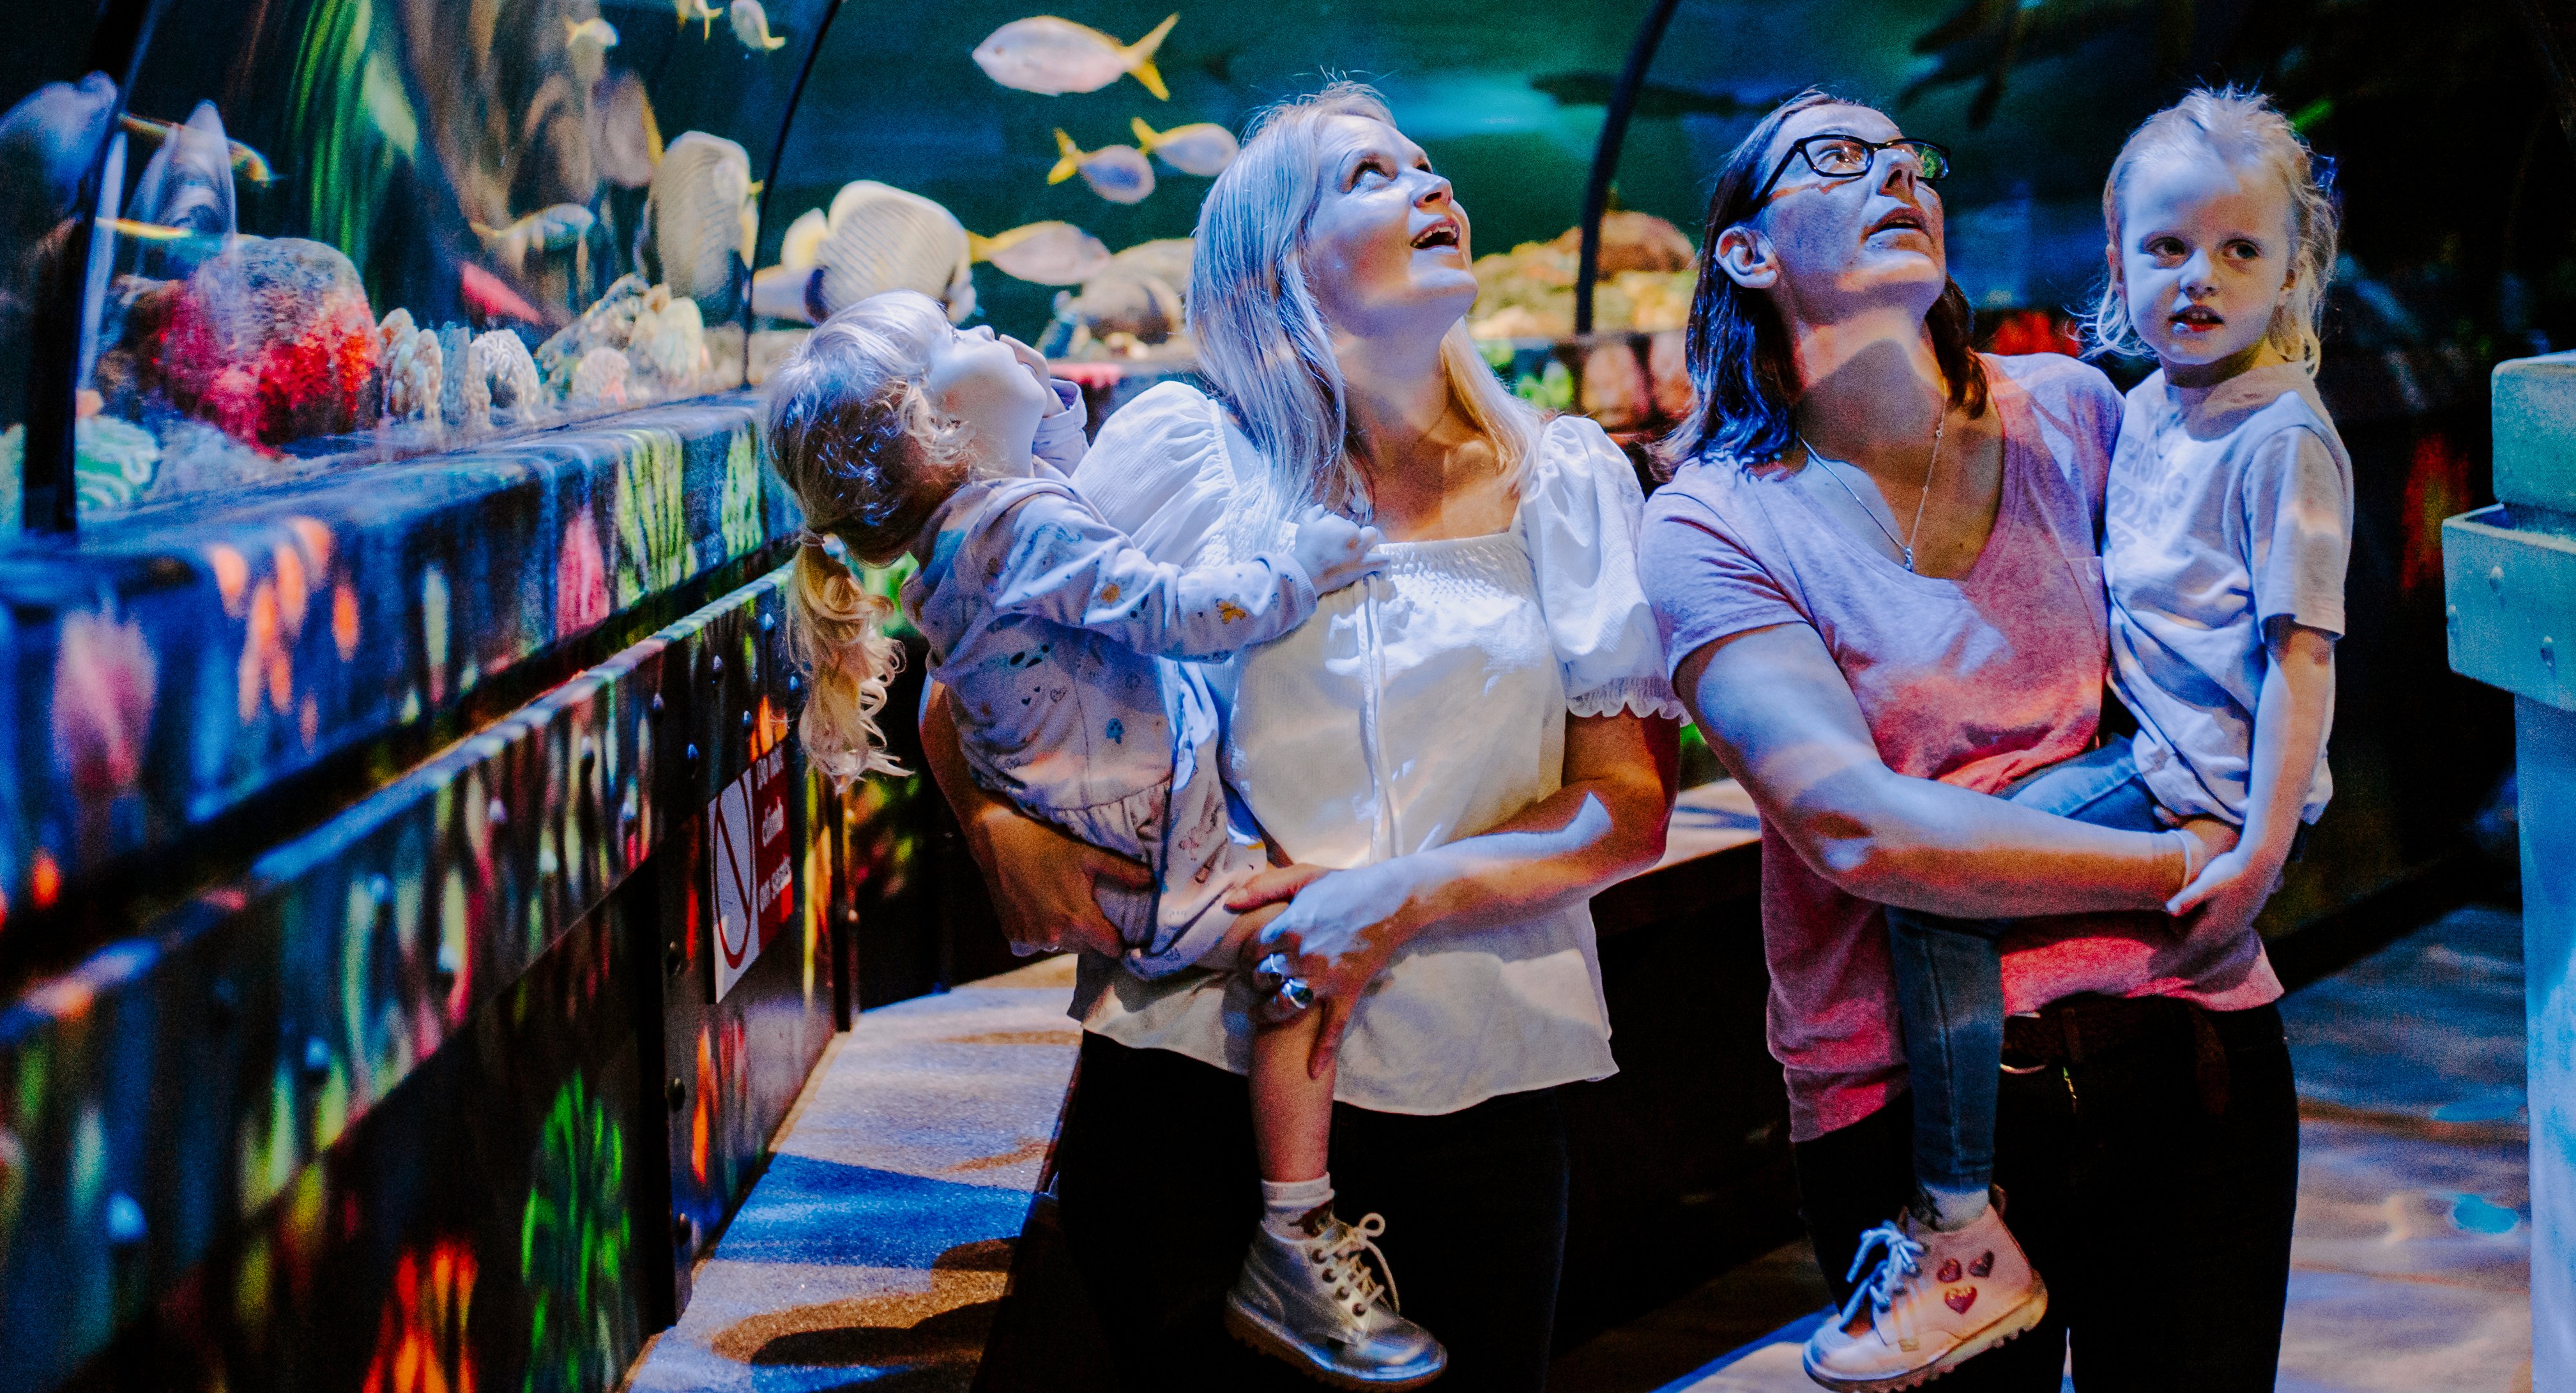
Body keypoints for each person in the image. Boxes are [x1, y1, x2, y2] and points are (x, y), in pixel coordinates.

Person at [921, 82, 1680, 1392]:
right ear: (1274, 267)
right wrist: (993, 827)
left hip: (1474, 1084)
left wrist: (1389, 899)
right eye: (1371, 176)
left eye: (1429, 165)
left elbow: (1625, 803)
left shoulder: (1566, 479)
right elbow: (976, 679)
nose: (1432, 186)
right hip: (1188, 1081)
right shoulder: (1182, 455)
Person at [1639, 90, 2300, 1393]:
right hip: (1911, 1112)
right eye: (1839, 158)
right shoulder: (1714, 523)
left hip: (2185, 1049)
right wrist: (2186, 862)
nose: (1896, 177)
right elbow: (1863, 830)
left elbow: (2211, 657)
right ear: (1746, 253)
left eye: (1911, 160)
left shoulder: (2073, 413)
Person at [761, 294, 1452, 1385]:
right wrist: (1304, 566)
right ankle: (1293, 1230)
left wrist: (1030, 412)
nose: (998, 335)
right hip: (1164, 874)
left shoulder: (972, 536)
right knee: (1307, 955)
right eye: (964, 336)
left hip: (1135, 850)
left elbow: (1063, 498)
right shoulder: (1011, 529)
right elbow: (1176, 609)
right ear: (931, 417)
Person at [1837, 84, 2351, 1383]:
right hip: (2149, 764)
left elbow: (2304, 656)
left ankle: (1957, 1229)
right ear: (2116, 253)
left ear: (2298, 266)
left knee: (1936, 885)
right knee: (1941, 861)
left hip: (2199, 787)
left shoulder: (2281, 436)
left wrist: (2263, 845)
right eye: (2167, 247)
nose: (2200, 278)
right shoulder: (2146, 410)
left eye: (2242, 251)